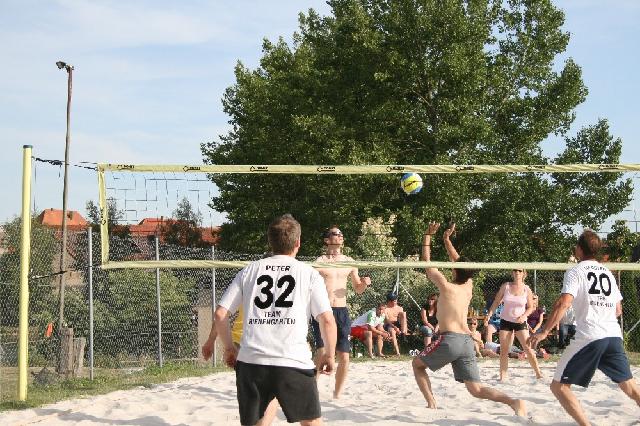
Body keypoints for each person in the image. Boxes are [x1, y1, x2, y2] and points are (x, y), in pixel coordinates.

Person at [213, 214, 338, 426]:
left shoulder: (249, 270)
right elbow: (327, 320)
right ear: (298, 243)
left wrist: (229, 348)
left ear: (270, 242)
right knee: (311, 422)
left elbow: (220, 314)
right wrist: (329, 355)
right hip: (293, 360)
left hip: (253, 361)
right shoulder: (308, 273)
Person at [412, 222, 526, 416]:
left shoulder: (446, 286)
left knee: (417, 365)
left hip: (450, 339)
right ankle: (514, 402)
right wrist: (446, 240)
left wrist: (427, 236)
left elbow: (427, 263)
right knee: (476, 390)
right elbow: (459, 263)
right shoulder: (469, 285)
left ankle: (431, 404)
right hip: (467, 341)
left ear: (455, 270)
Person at [529, 230, 640, 426]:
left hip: (590, 336)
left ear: (579, 249)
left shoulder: (576, 271)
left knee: (558, 387)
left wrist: (544, 331)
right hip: (613, 336)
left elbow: (563, 303)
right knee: (629, 386)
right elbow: (618, 310)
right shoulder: (607, 273)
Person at [313, 225, 371, 399]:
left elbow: (358, 289)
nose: (339, 236)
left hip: (341, 311)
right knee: (322, 353)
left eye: (341, 234)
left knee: (344, 356)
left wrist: (364, 283)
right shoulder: (320, 261)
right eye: (335, 233)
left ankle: (337, 395)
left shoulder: (349, 262)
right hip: (323, 310)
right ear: (327, 240)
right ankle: (312, 391)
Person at [202, 309, 280, 425]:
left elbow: (222, 313)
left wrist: (212, 339)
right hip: (270, 342)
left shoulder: (242, 294)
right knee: (270, 389)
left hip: (242, 343)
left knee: (251, 390)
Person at [485, 269, 543, 381]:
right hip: (506, 321)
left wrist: (524, 316)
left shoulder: (527, 289)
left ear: (524, 273)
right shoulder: (506, 286)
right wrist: (489, 315)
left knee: (528, 348)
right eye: (515, 270)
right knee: (504, 351)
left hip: (520, 322)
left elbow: (531, 307)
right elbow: (496, 302)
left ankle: (538, 373)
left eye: (520, 271)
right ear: (512, 273)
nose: (517, 272)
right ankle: (503, 377)